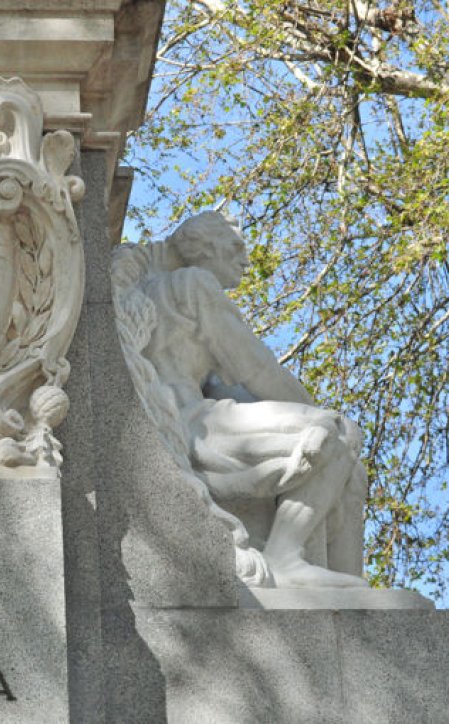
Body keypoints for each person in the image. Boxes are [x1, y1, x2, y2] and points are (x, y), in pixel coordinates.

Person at [124, 211, 367, 588]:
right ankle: (285, 557)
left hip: (194, 424)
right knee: (333, 433)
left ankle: (342, 591)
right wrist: (316, 412)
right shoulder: (193, 284)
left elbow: (229, 385)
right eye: (235, 247)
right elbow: (257, 370)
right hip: (195, 427)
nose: (245, 259)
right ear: (204, 248)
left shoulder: (155, 291)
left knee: (341, 446)